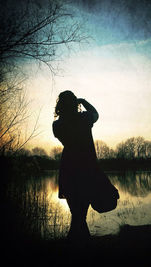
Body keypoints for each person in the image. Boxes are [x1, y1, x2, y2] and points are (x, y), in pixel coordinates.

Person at [52, 90, 99, 242]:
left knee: (77, 213)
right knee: (80, 214)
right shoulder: (84, 119)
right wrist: (83, 101)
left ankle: (76, 245)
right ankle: (81, 246)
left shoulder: (57, 125)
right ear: (74, 104)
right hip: (86, 168)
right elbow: (95, 114)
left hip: (69, 168)